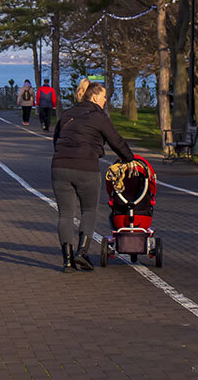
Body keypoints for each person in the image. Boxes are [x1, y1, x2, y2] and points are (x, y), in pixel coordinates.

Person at [52, 78, 134, 272]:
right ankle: (82, 252)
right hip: (86, 166)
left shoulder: (67, 114)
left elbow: (56, 141)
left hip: (59, 166)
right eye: (105, 97)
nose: (106, 101)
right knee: (88, 210)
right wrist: (130, 159)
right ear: (96, 97)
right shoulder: (99, 116)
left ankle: (67, 261)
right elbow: (116, 141)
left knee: (65, 214)